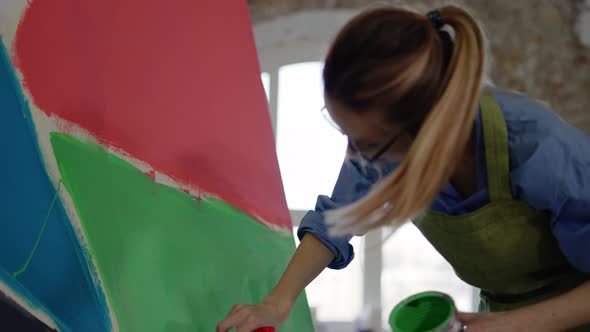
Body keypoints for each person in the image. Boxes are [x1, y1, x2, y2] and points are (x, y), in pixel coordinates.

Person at [217, 5, 590, 332]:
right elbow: (335, 222)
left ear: (427, 130)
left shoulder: (535, 145)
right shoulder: (384, 147)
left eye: (366, 143)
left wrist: (514, 325)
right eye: (344, 132)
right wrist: (278, 302)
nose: (355, 158)